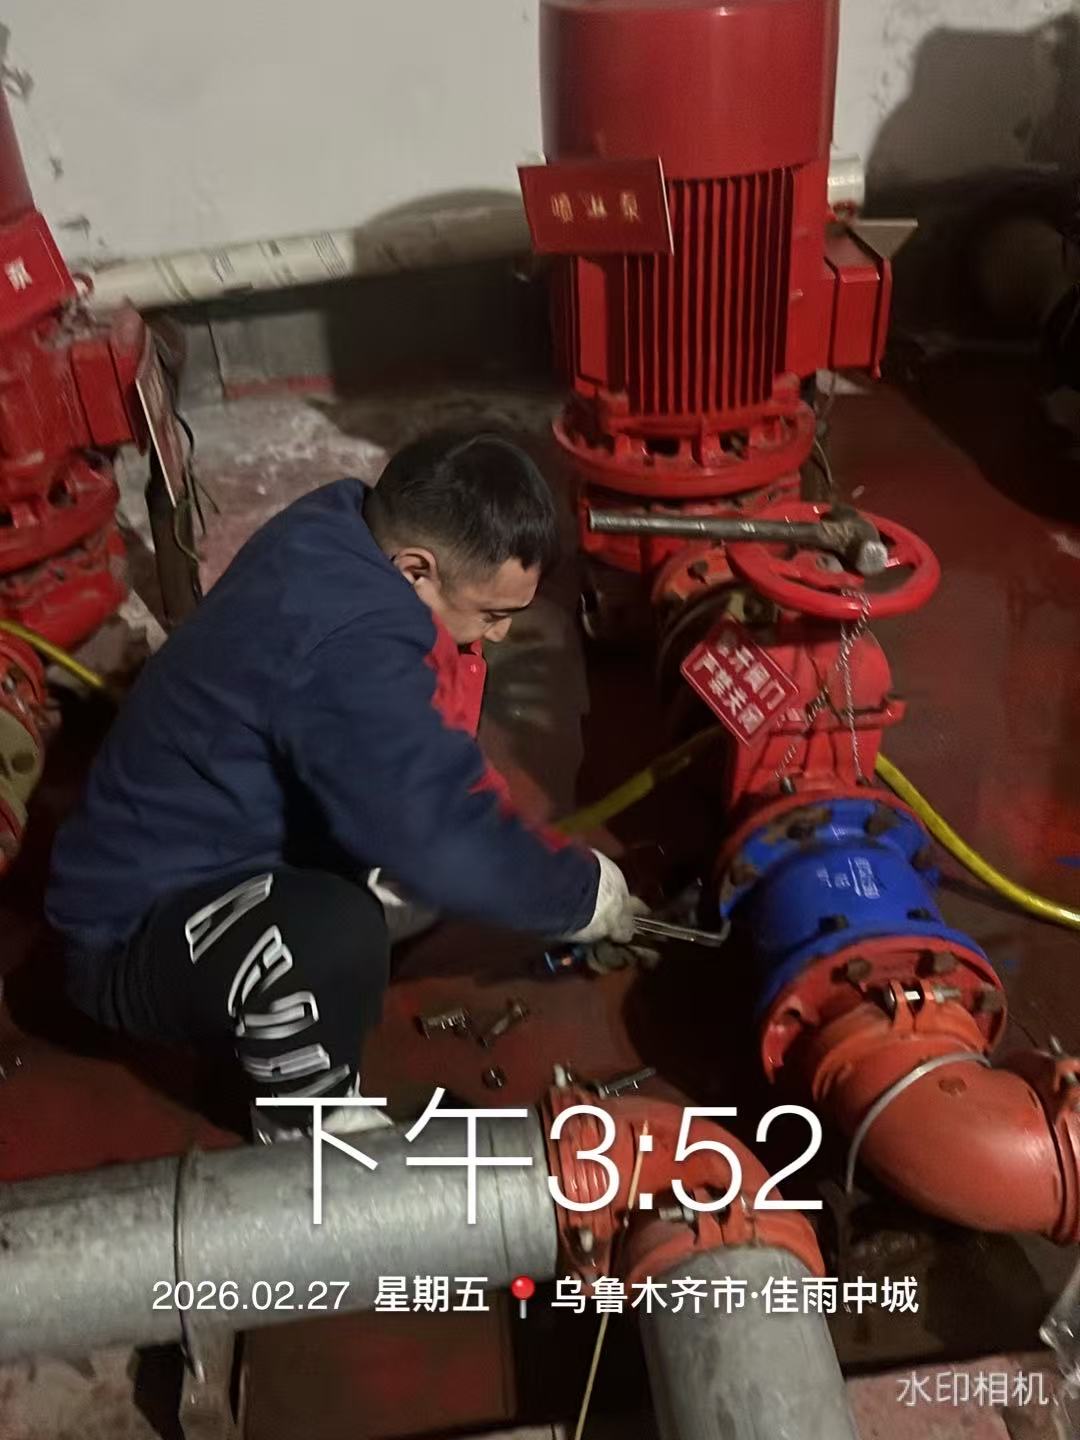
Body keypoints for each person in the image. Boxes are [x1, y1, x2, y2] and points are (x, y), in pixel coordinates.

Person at [46, 432, 639, 1129]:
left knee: (430, 876)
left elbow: (424, 759)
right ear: (415, 570)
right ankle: (306, 1119)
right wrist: (578, 894)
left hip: (218, 846)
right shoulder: (348, 644)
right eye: (492, 613)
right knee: (336, 933)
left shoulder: (342, 525)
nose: (501, 635)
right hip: (128, 934)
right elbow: (437, 835)